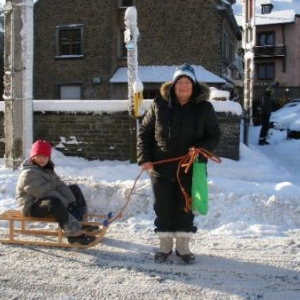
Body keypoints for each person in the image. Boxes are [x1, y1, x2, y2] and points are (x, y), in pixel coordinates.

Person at [137, 64, 221, 263]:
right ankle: (165, 245)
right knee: (163, 207)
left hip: (190, 167)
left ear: (194, 86)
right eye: (179, 82)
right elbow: (145, 133)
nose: (183, 86)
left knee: (185, 207)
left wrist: (200, 149)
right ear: (173, 85)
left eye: (187, 82)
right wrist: (145, 157)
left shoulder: (204, 108)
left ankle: (183, 247)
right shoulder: (159, 104)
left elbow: (214, 135)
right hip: (161, 168)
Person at [15, 140, 97, 245]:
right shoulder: (28, 174)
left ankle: (79, 221)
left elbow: (59, 186)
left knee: (74, 189)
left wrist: (73, 203)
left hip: (44, 201)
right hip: (31, 205)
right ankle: (74, 234)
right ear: (33, 157)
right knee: (54, 201)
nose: (42, 159)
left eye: (45, 157)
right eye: (39, 156)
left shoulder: (47, 170)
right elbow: (46, 193)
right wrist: (68, 205)